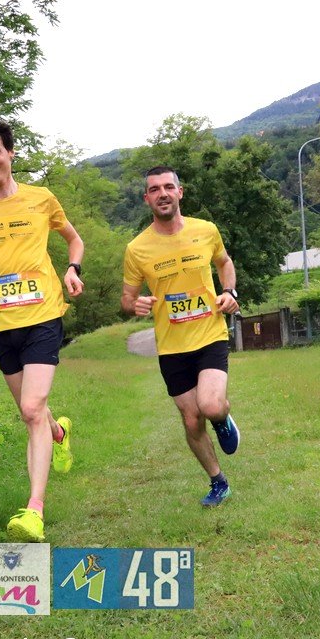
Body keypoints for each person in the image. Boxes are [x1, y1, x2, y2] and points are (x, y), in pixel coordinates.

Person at [0, 119, 84, 542]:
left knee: (30, 409)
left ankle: (34, 511)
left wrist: (73, 269)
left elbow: (74, 239)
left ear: (10, 152)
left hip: (42, 315)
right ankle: (58, 433)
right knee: (35, 414)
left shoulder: (41, 199)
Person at [121, 165, 240, 506]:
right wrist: (134, 304)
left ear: (179, 192)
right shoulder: (137, 249)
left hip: (209, 334)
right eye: (154, 189)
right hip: (172, 347)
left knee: (210, 405)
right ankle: (218, 482)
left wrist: (229, 291)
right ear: (146, 199)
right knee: (191, 419)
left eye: (168, 187)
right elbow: (127, 299)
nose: (162, 193)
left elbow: (224, 263)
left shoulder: (206, 230)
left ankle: (221, 417)